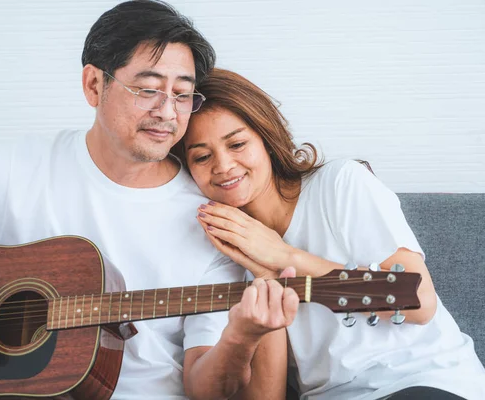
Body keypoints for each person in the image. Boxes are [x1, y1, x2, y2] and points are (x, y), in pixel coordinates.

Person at [0, 2, 299, 399]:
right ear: (94, 85)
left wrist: (243, 338)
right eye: (148, 88)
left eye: (183, 94)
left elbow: (203, 384)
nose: (167, 111)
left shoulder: (213, 223)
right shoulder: (20, 165)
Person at [173, 68, 485, 400]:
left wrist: (285, 256)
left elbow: (419, 300)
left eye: (237, 144)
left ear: (266, 138)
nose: (223, 165)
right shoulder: (221, 251)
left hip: (422, 380)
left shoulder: (339, 184)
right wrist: (268, 276)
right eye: (202, 156)